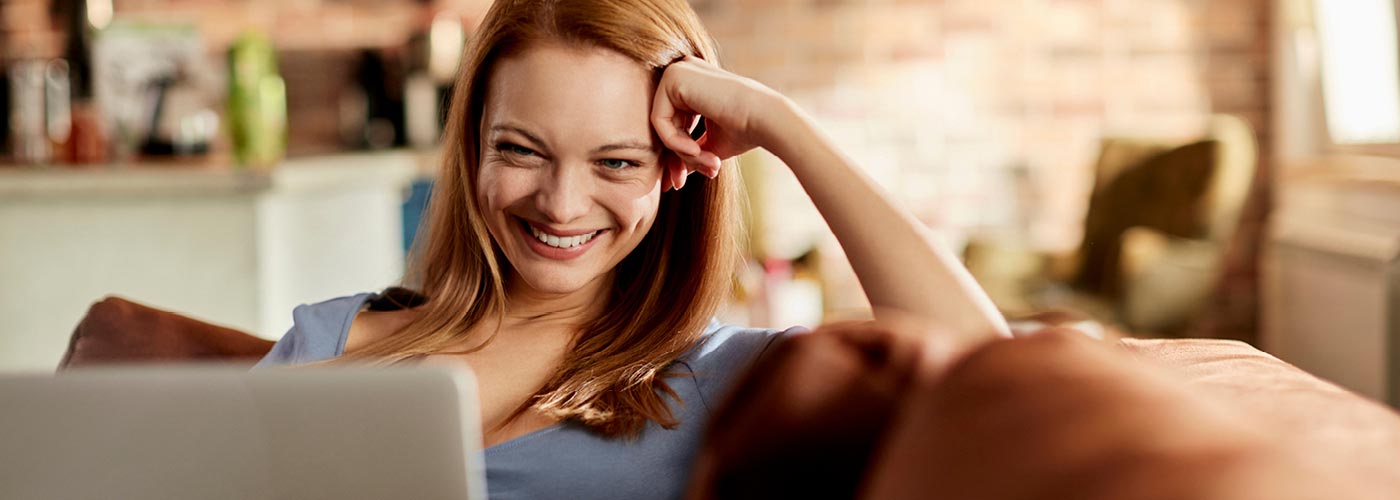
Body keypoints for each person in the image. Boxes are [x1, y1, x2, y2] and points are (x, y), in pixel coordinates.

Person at [255, 0, 1008, 497]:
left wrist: (783, 125)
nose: (560, 204)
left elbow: (1003, 397)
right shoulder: (329, 340)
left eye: (616, 162)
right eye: (520, 150)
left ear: (677, 171)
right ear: (473, 145)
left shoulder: (731, 379)